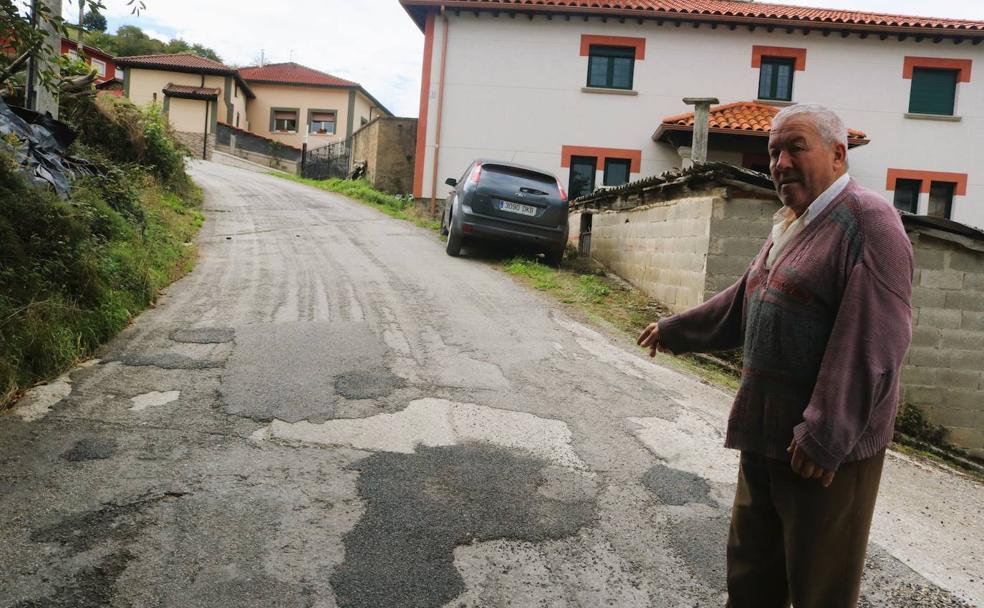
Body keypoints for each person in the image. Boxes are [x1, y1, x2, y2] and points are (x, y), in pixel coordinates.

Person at [637, 104, 913, 608]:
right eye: (773, 152)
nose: (780, 163)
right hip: (765, 436)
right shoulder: (791, 221)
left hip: (823, 453)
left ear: (837, 153)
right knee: (750, 578)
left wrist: (825, 433)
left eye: (795, 148)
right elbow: (747, 297)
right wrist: (676, 329)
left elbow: (874, 341)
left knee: (817, 589)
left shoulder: (869, 221)